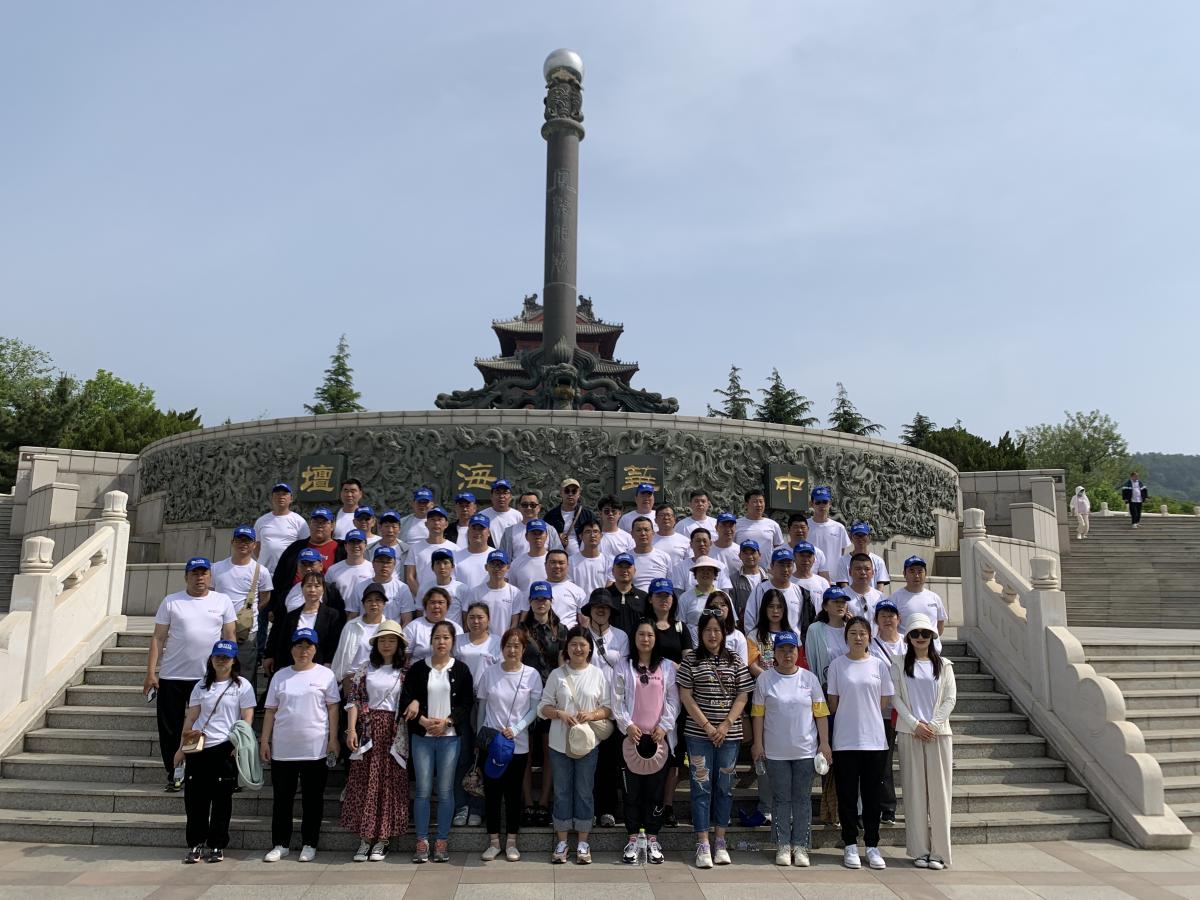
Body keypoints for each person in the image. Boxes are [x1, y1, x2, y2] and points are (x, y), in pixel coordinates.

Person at [145, 557, 237, 790]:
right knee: (171, 729)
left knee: (204, 725)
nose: (199, 578)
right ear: (186, 577)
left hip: (207, 677)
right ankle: (175, 770)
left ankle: (197, 768)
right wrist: (151, 672)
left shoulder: (222, 601)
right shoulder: (171, 601)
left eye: (204, 573)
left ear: (210, 576)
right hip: (172, 676)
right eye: (195, 573)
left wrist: (230, 671)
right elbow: (158, 637)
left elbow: (230, 636)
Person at [677, 609, 753, 869]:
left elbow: (743, 695)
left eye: (717, 630)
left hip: (729, 736)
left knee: (724, 788)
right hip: (699, 735)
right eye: (707, 630)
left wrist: (726, 724)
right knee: (701, 787)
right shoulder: (691, 660)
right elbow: (686, 696)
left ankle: (720, 840)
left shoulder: (735, 659)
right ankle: (703, 843)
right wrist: (708, 726)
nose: (712, 635)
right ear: (700, 633)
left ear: (724, 633)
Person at [750, 630, 831, 868]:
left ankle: (801, 846)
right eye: (782, 650)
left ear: (798, 652)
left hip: (805, 750)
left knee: (802, 799)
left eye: (791, 650)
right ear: (774, 653)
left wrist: (824, 743)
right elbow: (757, 714)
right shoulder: (765, 679)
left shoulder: (809, 679)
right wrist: (758, 743)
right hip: (775, 752)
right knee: (781, 799)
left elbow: (821, 713)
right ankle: (783, 845)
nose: (787, 654)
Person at [260, 628, 341, 863]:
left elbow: (333, 708)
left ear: (315, 649)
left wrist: (333, 739)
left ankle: (309, 843)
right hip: (284, 749)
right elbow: (270, 711)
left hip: (315, 748)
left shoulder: (325, 675)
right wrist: (264, 740)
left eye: (308, 646)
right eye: (299, 646)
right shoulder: (280, 676)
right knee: (282, 799)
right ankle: (280, 843)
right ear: (291, 649)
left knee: (312, 799)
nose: (303, 651)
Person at [175, 640, 256, 864]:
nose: (221, 661)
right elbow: (191, 717)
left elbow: (247, 718)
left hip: (225, 747)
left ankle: (217, 844)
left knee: (222, 800)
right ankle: (195, 843)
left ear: (234, 660)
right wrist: (181, 749)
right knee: (195, 800)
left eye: (226, 657)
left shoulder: (242, 686)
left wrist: (240, 744)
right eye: (218, 657)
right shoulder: (201, 686)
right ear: (211, 659)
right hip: (199, 747)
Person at [400, 619, 473, 863]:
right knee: (422, 789)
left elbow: (466, 703)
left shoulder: (461, 669)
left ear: (453, 641)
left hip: (449, 738)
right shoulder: (417, 669)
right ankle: (421, 842)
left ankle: (442, 841)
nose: (441, 642)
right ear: (430, 641)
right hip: (422, 737)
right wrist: (421, 720)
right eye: (437, 638)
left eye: (446, 637)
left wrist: (448, 722)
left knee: (445, 790)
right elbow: (406, 698)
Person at [538, 626, 612, 865]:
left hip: (588, 744)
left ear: (590, 648)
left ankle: (583, 841)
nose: (578, 649)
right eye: (573, 644)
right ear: (566, 648)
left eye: (582, 644)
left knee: (584, 790)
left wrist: (591, 715)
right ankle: (561, 842)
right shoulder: (557, 675)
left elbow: (608, 708)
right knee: (561, 791)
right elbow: (543, 707)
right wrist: (559, 713)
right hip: (559, 743)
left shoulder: (597, 674)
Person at [827, 615, 895, 871]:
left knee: (872, 795)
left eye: (862, 633)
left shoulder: (879, 665)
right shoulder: (837, 665)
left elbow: (884, 700)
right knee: (846, 795)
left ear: (869, 637)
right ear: (846, 637)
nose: (858, 637)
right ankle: (849, 844)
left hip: (874, 740)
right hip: (845, 740)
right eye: (853, 633)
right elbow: (833, 702)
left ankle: (873, 845)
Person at [891, 613, 957, 870]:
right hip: (910, 733)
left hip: (938, 734)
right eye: (916, 633)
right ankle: (919, 850)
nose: (921, 638)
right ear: (908, 637)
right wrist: (915, 725)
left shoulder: (945, 665)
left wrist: (933, 725)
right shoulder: (898, 663)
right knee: (914, 793)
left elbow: (950, 699)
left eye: (925, 633)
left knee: (940, 794)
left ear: (932, 636)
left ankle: (940, 852)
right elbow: (895, 697)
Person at [611, 621, 679, 865]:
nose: (646, 639)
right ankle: (632, 837)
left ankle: (652, 837)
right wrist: (627, 724)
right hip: (632, 738)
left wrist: (664, 726)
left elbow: (673, 700)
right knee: (632, 792)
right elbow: (616, 699)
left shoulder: (667, 666)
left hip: (659, 739)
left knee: (655, 792)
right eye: (641, 634)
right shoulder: (623, 665)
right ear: (634, 637)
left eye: (650, 635)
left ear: (656, 638)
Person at [342, 620, 408, 862]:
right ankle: (365, 838)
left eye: (391, 640)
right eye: (383, 640)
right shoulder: (365, 668)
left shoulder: (406, 671)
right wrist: (351, 730)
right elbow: (354, 700)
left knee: (389, 783)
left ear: (399, 644)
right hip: (368, 731)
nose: (387, 644)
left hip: (394, 732)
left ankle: (383, 838)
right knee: (365, 782)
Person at [475, 628, 543, 862]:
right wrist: (480, 739)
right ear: (501, 648)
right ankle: (494, 842)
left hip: (518, 744)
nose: (512, 650)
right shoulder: (490, 673)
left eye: (517, 646)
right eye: (508, 645)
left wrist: (516, 729)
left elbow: (535, 709)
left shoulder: (532, 675)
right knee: (492, 794)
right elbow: (482, 708)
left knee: (514, 794)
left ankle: (512, 842)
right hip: (492, 744)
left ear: (523, 649)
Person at [517, 583, 568, 825]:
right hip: (525, 697)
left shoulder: (561, 630)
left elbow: (565, 663)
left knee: (550, 753)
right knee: (525, 752)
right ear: (530, 601)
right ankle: (528, 803)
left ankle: (545, 803)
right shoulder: (520, 630)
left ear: (551, 601)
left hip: (551, 697)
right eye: (536, 599)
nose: (541, 603)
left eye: (544, 599)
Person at [645, 577, 693, 829]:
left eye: (667, 596)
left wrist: (672, 667)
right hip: (647, 694)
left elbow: (688, 661)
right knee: (651, 748)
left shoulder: (680, 628)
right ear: (650, 599)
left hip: (675, 695)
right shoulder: (644, 626)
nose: (664, 600)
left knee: (674, 754)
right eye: (659, 595)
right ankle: (651, 801)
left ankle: (667, 804)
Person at [804, 586, 852, 827]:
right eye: (835, 602)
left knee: (849, 756)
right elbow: (813, 664)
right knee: (828, 753)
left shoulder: (852, 628)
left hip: (852, 699)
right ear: (825, 606)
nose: (840, 605)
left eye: (843, 601)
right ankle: (831, 809)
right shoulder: (816, 630)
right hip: (826, 697)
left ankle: (850, 809)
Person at [581, 591, 628, 829]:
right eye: (596, 606)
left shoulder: (621, 636)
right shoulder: (581, 635)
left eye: (606, 607)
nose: (601, 610)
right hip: (585, 705)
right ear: (589, 610)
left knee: (609, 761)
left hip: (612, 706)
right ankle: (587, 810)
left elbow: (625, 671)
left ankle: (607, 809)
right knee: (586, 759)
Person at [453, 603, 502, 827]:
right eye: (471, 617)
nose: (475, 621)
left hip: (487, 704)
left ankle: (477, 808)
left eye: (480, 617)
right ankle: (461, 806)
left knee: (481, 754)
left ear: (488, 619)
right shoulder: (458, 641)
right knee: (462, 756)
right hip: (461, 703)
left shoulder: (496, 642)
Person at [210, 526, 271, 693]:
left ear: (254, 545)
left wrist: (248, 613)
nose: (243, 544)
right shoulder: (216, 568)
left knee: (245, 676)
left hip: (247, 632)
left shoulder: (261, 571)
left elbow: (265, 598)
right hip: (218, 630)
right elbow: (210, 594)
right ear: (232, 542)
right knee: (218, 675)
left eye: (247, 541)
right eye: (239, 540)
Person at [265, 572, 345, 676]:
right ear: (302, 589)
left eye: (317, 586)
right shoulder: (291, 616)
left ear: (323, 589)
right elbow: (282, 642)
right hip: (292, 667)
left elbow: (334, 643)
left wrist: (328, 663)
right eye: (308, 586)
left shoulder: (333, 615)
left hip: (320, 668)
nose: (312, 590)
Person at [870, 601, 906, 825]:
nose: (887, 619)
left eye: (891, 615)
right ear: (876, 620)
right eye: (882, 615)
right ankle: (887, 807)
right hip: (883, 712)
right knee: (884, 761)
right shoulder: (871, 646)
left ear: (898, 619)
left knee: (912, 761)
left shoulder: (908, 643)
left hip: (908, 712)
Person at [269, 507, 345, 607]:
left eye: (324, 522)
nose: (319, 525)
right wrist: (273, 606)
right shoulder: (296, 548)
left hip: (327, 604)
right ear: (309, 524)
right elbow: (279, 577)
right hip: (294, 602)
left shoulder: (343, 549)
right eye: (316, 522)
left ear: (332, 526)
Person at [331, 583, 390, 685]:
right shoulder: (351, 626)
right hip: (351, 679)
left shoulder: (389, 628)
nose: (374, 604)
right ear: (363, 604)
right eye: (369, 600)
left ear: (384, 604)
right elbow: (340, 655)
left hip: (379, 680)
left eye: (378, 600)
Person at [744, 548, 808, 634]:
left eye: (789, 565)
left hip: (792, 641)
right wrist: (754, 639)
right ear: (772, 566)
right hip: (764, 640)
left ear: (793, 567)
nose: (785, 569)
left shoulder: (800, 591)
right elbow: (749, 620)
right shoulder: (760, 590)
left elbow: (805, 623)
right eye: (781, 565)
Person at [890, 557, 948, 651]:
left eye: (920, 571)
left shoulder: (934, 598)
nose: (916, 575)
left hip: (932, 651)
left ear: (926, 574)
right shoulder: (894, 599)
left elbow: (940, 626)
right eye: (912, 571)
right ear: (904, 574)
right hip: (906, 651)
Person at [254, 483, 308, 575]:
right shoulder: (261, 521)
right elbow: (256, 546)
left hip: (288, 573)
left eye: (284, 494)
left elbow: (305, 546)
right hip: (264, 573)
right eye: (277, 494)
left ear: (291, 498)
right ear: (272, 498)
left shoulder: (299, 521)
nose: (281, 497)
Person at [402, 587, 465, 666]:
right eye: (432, 602)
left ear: (447, 606)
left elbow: (459, 655)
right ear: (425, 606)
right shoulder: (413, 627)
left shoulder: (456, 628)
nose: (436, 606)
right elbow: (405, 655)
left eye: (441, 602)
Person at [404, 506, 454, 598]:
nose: (436, 523)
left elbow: (456, 576)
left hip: (448, 599)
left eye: (440, 520)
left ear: (446, 524)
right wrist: (423, 598)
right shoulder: (415, 548)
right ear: (426, 524)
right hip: (422, 600)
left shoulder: (455, 549)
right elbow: (410, 577)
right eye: (432, 520)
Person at [501, 492, 565, 559]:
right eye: (525, 505)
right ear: (519, 507)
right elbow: (504, 559)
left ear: (539, 507)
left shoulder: (549, 530)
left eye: (533, 505)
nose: (529, 508)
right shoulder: (509, 531)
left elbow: (559, 556)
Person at [544, 476, 597, 555]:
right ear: (561, 493)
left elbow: (596, 535)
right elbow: (544, 537)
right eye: (567, 491)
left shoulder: (588, 515)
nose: (570, 494)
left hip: (582, 557)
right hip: (558, 557)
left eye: (574, 491)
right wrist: (557, 538)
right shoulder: (551, 516)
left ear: (579, 494)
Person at [694, 591, 748, 666]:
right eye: (714, 605)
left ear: (729, 609)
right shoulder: (696, 631)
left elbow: (743, 664)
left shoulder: (738, 636)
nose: (719, 608)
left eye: (723, 605)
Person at [806, 487, 849, 580]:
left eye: (825, 502)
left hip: (834, 579)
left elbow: (841, 552)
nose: (822, 505)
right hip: (810, 578)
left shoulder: (839, 528)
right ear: (812, 504)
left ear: (830, 504)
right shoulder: (805, 526)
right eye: (818, 502)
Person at [833, 522, 890, 588]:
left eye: (863, 535)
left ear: (869, 537)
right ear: (851, 538)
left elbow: (880, 587)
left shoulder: (878, 561)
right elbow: (844, 585)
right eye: (856, 536)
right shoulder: (842, 561)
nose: (860, 539)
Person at [735, 489, 786, 560]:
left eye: (761, 501)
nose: (759, 505)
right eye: (755, 502)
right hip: (742, 566)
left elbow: (779, 549)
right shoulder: (736, 524)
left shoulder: (773, 525)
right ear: (746, 505)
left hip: (767, 567)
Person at [728, 540, 768, 629]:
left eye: (753, 553)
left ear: (759, 555)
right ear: (739, 556)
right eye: (745, 553)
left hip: (766, 626)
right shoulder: (733, 579)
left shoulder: (769, 578)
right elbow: (732, 608)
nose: (749, 556)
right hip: (743, 628)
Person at [630, 516, 674, 592]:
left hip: (659, 597)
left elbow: (670, 584)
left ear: (653, 533)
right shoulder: (626, 558)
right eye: (638, 530)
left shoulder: (664, 557)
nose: (643, 533)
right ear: (632, 534)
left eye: (646, 530)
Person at [543, 550, 586, 628]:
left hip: (569, 634)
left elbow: (584, 620)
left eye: (561, 563)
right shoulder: (536, 589)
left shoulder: (577, 591)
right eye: (553, 562)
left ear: (567, 566)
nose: (557, 566)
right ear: (545, 565)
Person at [843, 553, 887, 625]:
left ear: (873, 572)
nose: (863, 573)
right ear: (850, 572)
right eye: (858, 569)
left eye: (867, 569)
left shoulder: (881, 598)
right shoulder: (842, 596)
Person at [569, 520, 611, 595]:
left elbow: (610, 585)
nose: (592, 535)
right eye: (588, 532)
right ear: (581, 536)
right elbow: (569, 586)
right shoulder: (571, 561)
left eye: (595, 531)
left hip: (601, 601)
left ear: (601, 536)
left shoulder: (608, 561)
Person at [453, 513, 494, 589]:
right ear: (468, 531)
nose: (477, 532)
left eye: (481, 528)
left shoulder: (496, 557)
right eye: (474, 528)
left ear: (488, 532)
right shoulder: (456, 557)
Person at [509, 519, 551, 593]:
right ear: (526, 536)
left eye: (540, 533)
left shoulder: (554, 561)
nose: (537, 537)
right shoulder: (516, 563)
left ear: (546, 536)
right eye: (534, 533)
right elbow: (512, 591)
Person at [483, 478, 523, 546]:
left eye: (505, 493)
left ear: (510, 496)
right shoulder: (483, 515)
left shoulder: (518, 516)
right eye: (498, 493)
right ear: (491, 496)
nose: (501, 496)